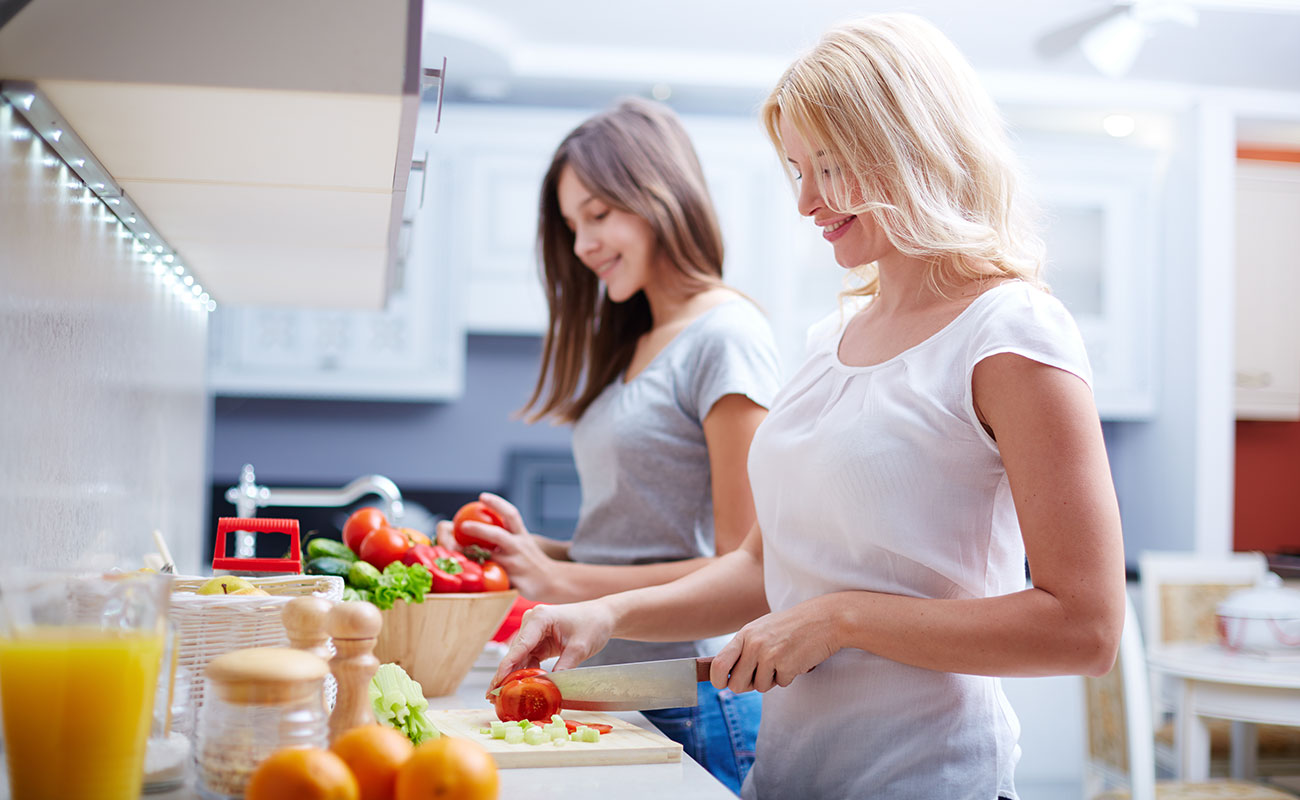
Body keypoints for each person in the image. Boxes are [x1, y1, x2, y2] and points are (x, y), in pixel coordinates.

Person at [488, 14, 1126, 800]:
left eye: (828, 165)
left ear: (909, 144)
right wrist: (607, 614)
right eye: (796, 169)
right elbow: (761, 566)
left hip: (928, 781)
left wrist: (842, 619)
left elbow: (1087, 628)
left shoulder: (1011, 331)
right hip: (786, 779)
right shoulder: (830, 340)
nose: (806, 202)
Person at [437, 97, 781, 794]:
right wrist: (530, 551)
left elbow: (742, 567)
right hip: (613, 680)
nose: (583, 244)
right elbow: (633, 540)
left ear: (660, 196)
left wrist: (562, 582)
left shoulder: (726, 336)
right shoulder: (638, 340)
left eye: (598, 215)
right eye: (572, 226)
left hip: (686, 688)